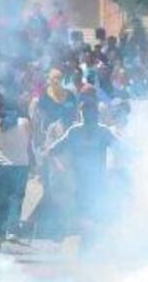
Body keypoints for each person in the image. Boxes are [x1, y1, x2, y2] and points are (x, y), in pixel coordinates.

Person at [48, 100, 117, 239]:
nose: (89, 117)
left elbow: (120, 148)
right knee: (85, 215)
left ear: (96, 115)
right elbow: (53, 150)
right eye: (85, 113)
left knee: (96, 215)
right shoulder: (75, 131)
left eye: (91, 114)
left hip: (98, 181)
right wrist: (58, 164)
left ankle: (93, 245)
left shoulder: (103, 131)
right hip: (79, 182)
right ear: (81, 115)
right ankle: (87, 245)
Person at [0, 103, 33, 246]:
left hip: (2, 166)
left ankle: (0, 232)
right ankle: (12, 231)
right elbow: (29, 143)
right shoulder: (25, 123)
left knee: (1, 199)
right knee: (16, 199)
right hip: (21, 165)